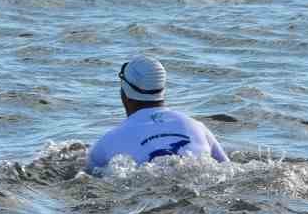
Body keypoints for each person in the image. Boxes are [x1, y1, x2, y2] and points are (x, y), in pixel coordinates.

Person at [85, 55, 228, 175]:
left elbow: (85, 177)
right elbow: (227, 168)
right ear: (163, 88)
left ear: (124, 93)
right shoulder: (197, 127)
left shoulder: (108, 141)